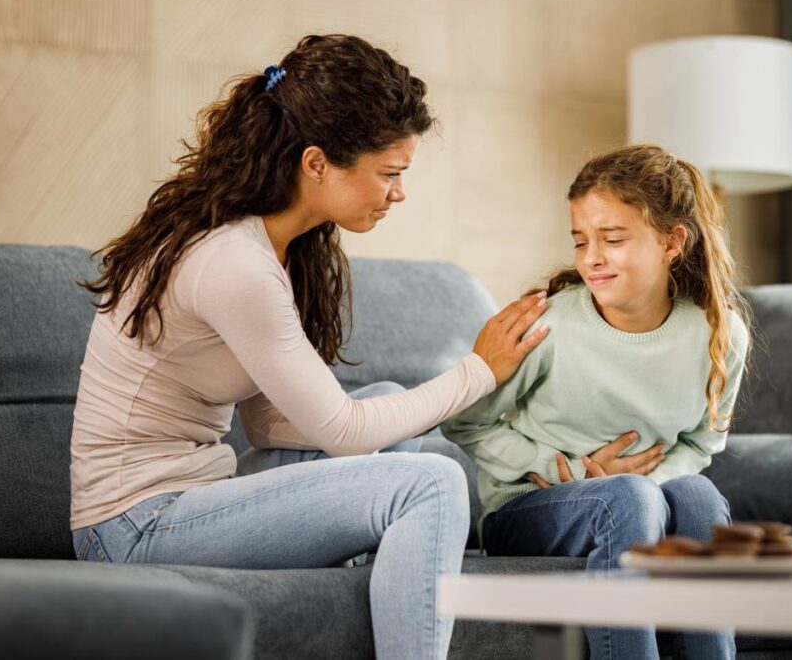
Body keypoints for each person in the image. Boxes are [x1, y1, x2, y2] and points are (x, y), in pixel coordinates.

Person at [69, 34, 549, 660]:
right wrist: (479, 370)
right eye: (390, 173)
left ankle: (409, 568)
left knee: (390, 411)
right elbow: (343, 432)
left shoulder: (271, 245)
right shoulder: (234, 263)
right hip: (135, 525)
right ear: (317, 163)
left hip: (190, 496)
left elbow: (268, 422)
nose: (399, 193)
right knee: (427, 484)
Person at [442, 144, 751, 660]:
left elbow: (701, 443)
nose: (591, 258)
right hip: (526, 509)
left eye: (613, 239)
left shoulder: (720, 334)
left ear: (672, 242)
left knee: (697, 498)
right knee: (626, 499)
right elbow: (464, 423)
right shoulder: (550, 328)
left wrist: (646, 485)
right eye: (581, 240)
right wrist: (564, 469)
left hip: (640, 502)